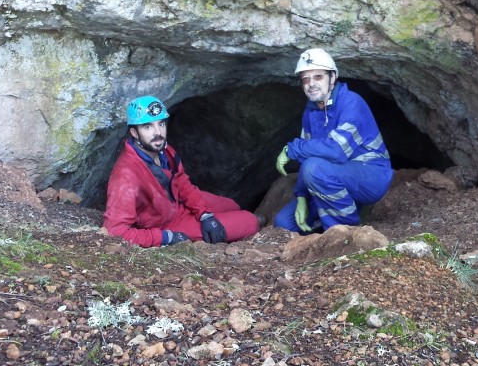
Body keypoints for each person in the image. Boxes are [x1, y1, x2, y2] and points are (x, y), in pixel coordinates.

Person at [104, 95, 261, 248]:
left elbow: (182, 183)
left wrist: (204, 214)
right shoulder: (126, 177)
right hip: (166, 223)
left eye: (161, 124)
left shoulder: (162, 150)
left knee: (231, 204)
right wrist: (166, 237)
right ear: (134, 132)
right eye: (147, 127)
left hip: (178, 203)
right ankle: (259, 220)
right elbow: (117, 231)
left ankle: (249, 217)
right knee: (250, 222)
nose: (157, 132)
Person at [273, 48, 393, 234]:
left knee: (315, 168)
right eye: (305, 79)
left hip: (371, 175)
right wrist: (302, 196)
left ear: (333, 77)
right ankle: (334, 216)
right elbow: (307, 161)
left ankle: (344, 232)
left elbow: (337, 151)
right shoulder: (311, 112)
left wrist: (292, 149)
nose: (311, 84)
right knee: (284, 223)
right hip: (335, 176)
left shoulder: (351, 102)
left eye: (318, 77)